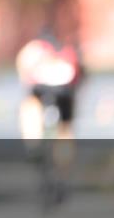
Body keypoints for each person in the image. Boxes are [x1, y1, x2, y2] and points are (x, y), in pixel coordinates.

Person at [16, 30, 81, 199]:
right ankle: (64, 170)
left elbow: (24, 75)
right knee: (65, 130)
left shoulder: (33, 49)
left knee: (29, 107)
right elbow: (80, 78)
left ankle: (34, 144)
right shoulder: (68, 50)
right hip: (66, 91)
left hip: (39, 87)